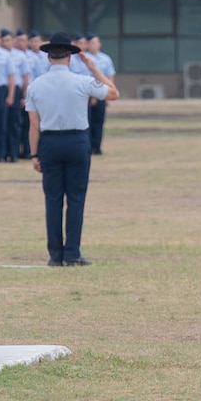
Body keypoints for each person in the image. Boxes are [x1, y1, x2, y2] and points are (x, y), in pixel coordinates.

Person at [26, 33, 119, 266]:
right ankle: (72, 252)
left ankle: (55, 255)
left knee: (53, 199)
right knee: (76, 199)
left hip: (49, 142)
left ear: (49, 58)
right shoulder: (81, 80)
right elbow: (113, 93)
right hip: (77, 141)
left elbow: (34, 125)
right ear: (70, 58)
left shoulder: (35, 85)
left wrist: (34, 154)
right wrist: (94, 68)